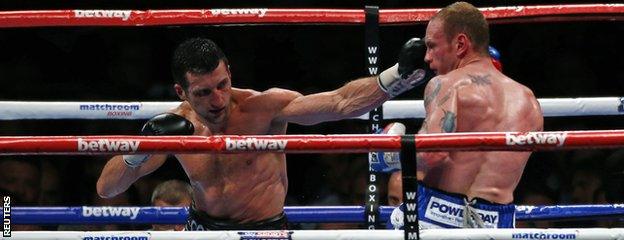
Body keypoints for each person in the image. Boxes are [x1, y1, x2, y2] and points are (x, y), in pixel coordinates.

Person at [97, 37, 432, 230]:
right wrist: (137, 150)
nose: (217, 100)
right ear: (181, 92)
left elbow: (340, 103)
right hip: (202, 229)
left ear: (229, 71)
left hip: (266, 228)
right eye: (202, 93)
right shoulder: (176, 126)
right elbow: (108, 188)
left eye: (222, 85)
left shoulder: (264, 108)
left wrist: (397, 76)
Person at [391, 2, 543, 229]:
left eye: (432, 46)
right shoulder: (529, 101)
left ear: (460, 44)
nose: (426, 57)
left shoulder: (447, 84)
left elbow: (433, 154)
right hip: (497, 224)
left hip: (435, 214)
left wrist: (390, 151)